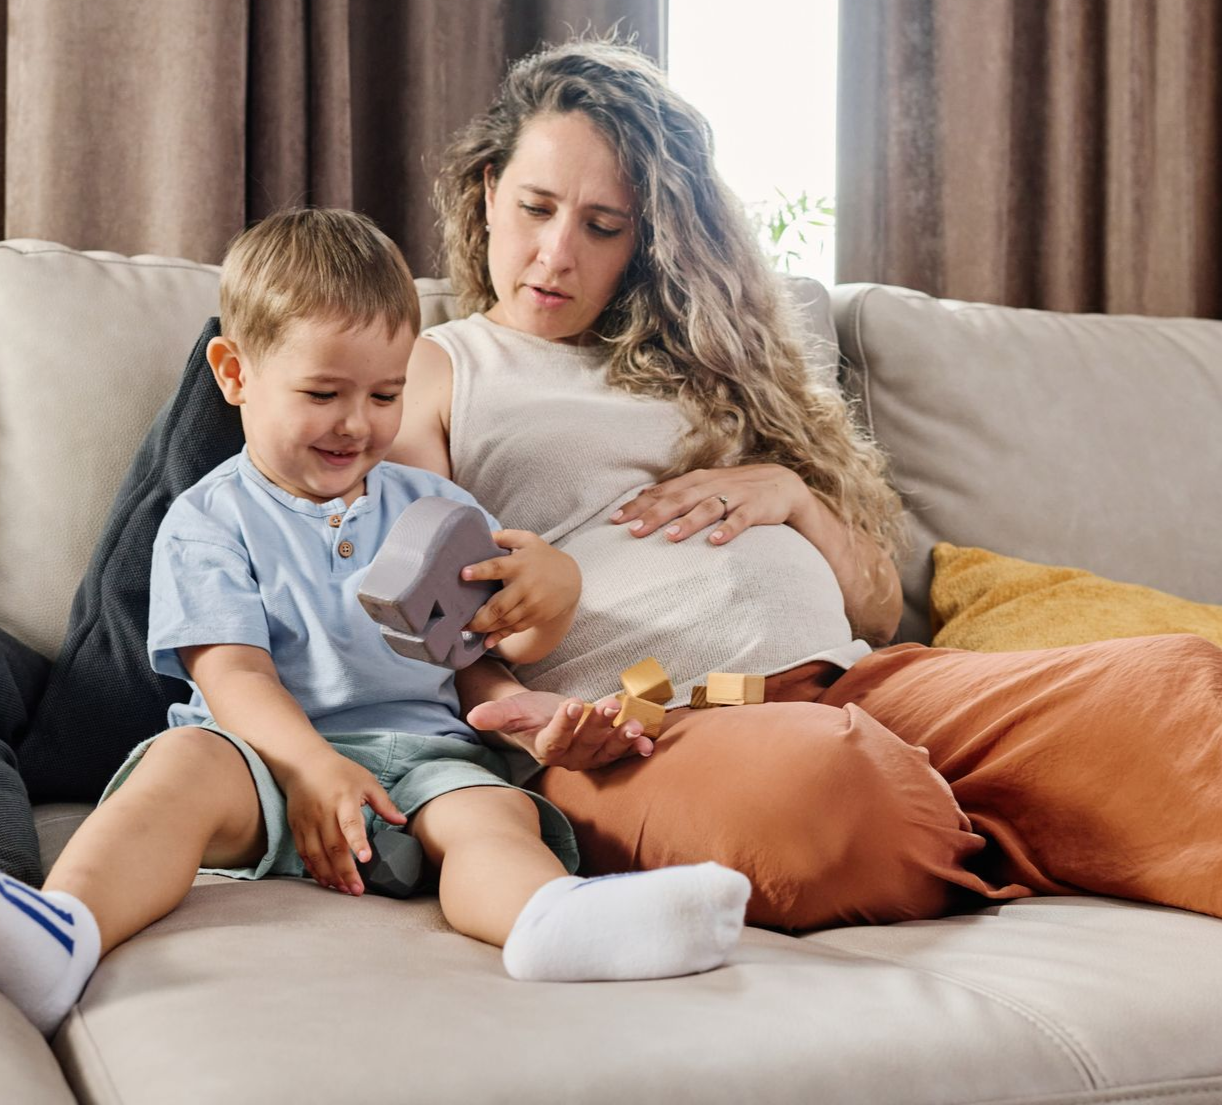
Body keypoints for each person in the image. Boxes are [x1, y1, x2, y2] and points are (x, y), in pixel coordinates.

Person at [390, 37, 1222, 936]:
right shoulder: (435, 369)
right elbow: (423, 617)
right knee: (839, 788)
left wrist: (794, 496)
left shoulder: (707, 367)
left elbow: (879, 611)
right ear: (488, 189)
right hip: (648, 728)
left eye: (603, 225)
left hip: (863, 688)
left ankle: (986, 818)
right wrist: (517, 721)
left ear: (647, 240)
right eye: (537, 208)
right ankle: (997, 819)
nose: (557, 252)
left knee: (1178, 686)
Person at [0, 208, 750, 1038]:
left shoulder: (438, 509)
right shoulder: (206, 518)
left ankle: (550, 920)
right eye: (323, 393)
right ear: (234, 372)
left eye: (386, 394)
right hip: (261, 764)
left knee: (491, 818)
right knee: (178, 763)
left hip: (423, 759)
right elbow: (232, 674)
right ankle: (64, 929)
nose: (358, 423)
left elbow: (472, 659)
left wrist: (516, 692)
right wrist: (313, 768)